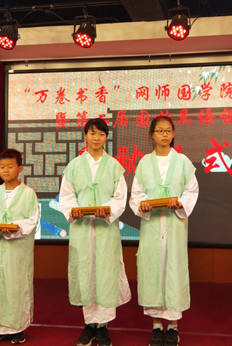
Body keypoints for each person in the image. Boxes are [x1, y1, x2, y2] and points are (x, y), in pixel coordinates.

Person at [58, 118, 130, 346]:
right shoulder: (73, 166)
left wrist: (107, 210)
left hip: (105, 229)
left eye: (101, 134)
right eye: (92, 133)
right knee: (85, 272)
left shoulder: (115, 166)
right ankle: (89, 324)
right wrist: (73, 210)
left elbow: (120, 198)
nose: (96, 138)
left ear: (106, 137)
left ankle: (104, 325)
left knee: (105, 272)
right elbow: (66, 196)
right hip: (81, 229)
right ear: (85, 135)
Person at [129, 115, 199, 346]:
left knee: (174, 269)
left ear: (174, 133)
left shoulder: (183, 161)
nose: (165, 135)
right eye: (160, 131)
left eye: (168, 130)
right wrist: (143, 204)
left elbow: (191, 190)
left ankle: (174, 327)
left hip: (175, 225)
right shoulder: (144, 162)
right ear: (151, 135)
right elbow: (136, 193)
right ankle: (157, 326)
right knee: (153, 270)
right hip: (151, 225)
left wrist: (181, 203)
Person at [0, 149, 39, 345]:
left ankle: (17, 328)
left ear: (20, 168)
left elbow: (32, 220)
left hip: (18, 250)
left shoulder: (29, 194)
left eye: (10, 166)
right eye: (2, 167)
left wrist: (13, 228)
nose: (6, 170)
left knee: (16, 285)